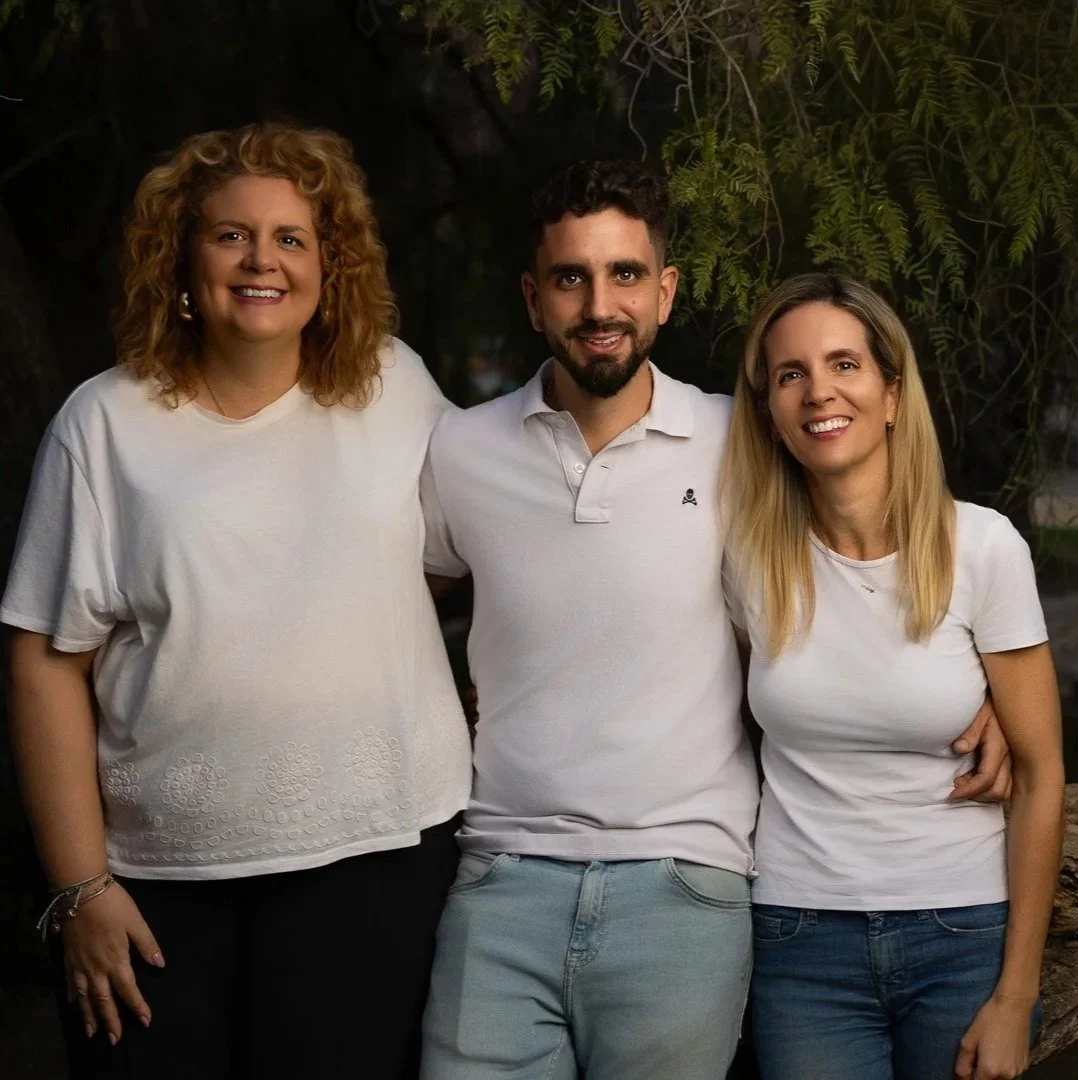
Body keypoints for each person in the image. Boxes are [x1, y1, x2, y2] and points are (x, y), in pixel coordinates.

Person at [417, 160, 1011, 1080]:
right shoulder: (460, 448)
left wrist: (990, 696)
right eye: (571, 278)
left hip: (688, 880)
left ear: (665, 293)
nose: (599, 304)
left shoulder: (745, 441)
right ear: (535, 300)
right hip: (502, 872)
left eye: (624, 275)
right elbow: (403, 596)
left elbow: (874, 551)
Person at [3, 123, 471, 1079]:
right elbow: (44, 662)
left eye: (292, 238)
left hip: (375, 862)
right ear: (181, 257)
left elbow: (472, 554)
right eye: (231, 236)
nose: (262, 260)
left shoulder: (395, 387)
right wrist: (81, 888)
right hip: (156, 888)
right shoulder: (104, 424)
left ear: (329, 265)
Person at [720, 272, 1065, 1080]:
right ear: (768, 408)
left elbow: (1044, 774)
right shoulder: (746, 560)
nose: (818, 393)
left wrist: (1015, 998)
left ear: (891, 393)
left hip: (962, 934)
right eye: (789, 374)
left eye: (845, 365)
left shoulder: (981, 548)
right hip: (800, 941)